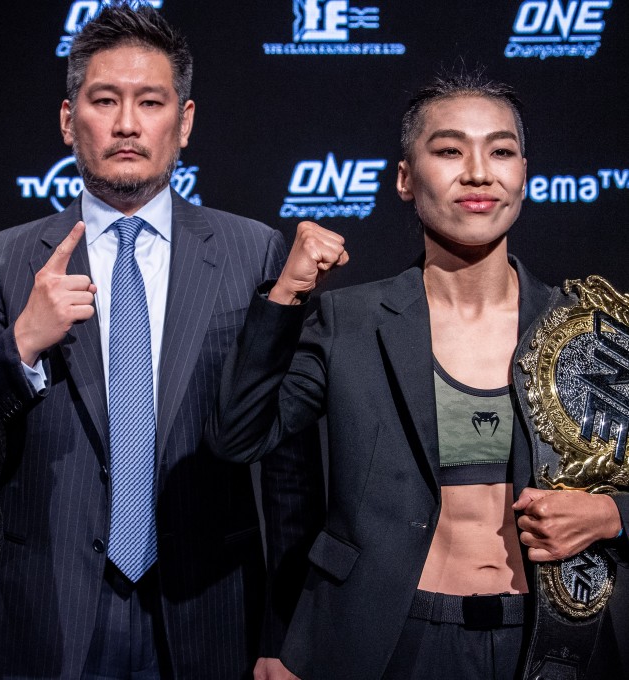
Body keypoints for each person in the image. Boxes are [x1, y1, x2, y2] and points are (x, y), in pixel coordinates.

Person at [206, 71, 629, 679]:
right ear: (405, 179)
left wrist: (612, 515)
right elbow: (239, 435)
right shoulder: (347, 320)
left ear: (524, 174)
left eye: (501, 150)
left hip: (549, 643)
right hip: (386, 642)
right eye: (450, 150)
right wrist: (285, 296)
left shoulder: (588, 329)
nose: (479, 172)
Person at [0, 4, 322, 679]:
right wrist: (21, 350)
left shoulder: (253, 254)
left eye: (150, 102)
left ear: (183, 121)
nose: (127, 124)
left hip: (209, 609)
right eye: (104, 100)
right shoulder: (3, 262)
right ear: (69, 120)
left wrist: (284, 632)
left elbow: (289, 473)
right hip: (45, 613)